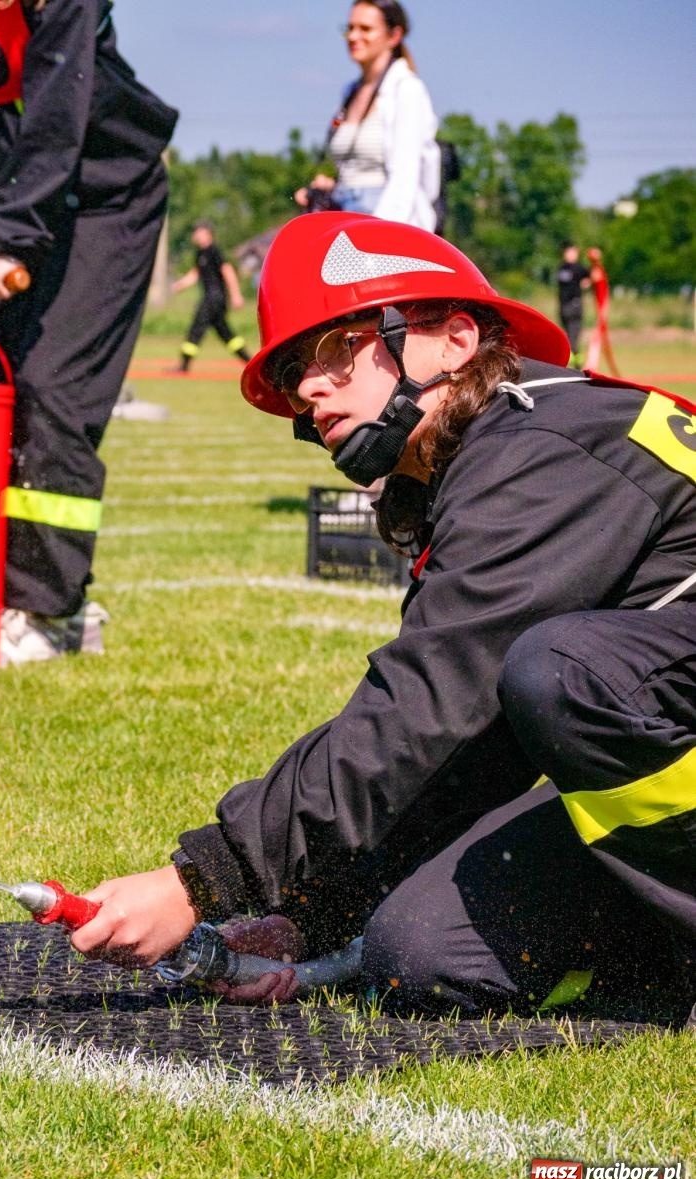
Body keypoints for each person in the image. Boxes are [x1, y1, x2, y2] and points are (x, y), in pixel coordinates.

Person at [70, 213, 695, 1024]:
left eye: (336, 349)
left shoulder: (539, 453)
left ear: (453, 339)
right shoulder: (484, 459)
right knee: (421, 953)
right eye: (296, 370)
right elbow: (468, 741)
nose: (308, 387)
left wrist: (202, 882)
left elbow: (421, 710)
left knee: (561, 669)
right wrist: (314, 913)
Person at [0, 0, 178, 665]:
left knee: (51, 390)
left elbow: (53, 112)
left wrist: (11, 243)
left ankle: (54, 610)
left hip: (107, 197)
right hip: (10, 199)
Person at [295, 1, 440, 230]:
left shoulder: (407, 90)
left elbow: (405, 180)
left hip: (386, 219)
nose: (353, 36)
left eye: (365, 29)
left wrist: (379, 235)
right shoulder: (349, 92)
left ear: (394, 35)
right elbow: (354, 168)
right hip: (346, 216)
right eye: (349, 28)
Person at [168, 223, 251, 373]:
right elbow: (195, 274)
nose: (195, 235)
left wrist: (236, 295)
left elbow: (228, 271)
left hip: (215, 298)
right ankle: (248, 361)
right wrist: (180, 285)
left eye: (198, 232)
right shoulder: (200, 253)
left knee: (196, 328)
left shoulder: (214, 251)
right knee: (225, 333)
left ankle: (184, 365)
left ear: (208, 234)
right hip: (210, 298)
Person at [584, 246, 620, 375]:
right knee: (601, 339)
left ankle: (591, 366)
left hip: (601, 308)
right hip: (600, 308)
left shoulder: (597, 271)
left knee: (596, 338)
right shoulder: (598, 270)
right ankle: (610, 369)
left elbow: (591, 283)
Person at [556, 242, 590, 367]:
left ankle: (576, 366)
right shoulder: (563, 268)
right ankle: (574, 364)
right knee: (568, 338)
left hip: (574, 306)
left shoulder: (579, 268)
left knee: (573, 340)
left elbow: (591, 276)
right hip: (564, 307)